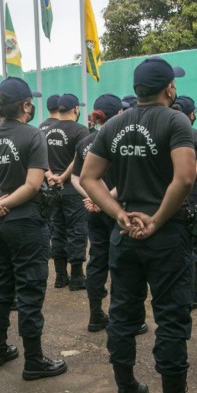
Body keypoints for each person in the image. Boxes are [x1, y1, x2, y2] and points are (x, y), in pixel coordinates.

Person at [81, 57, 197, 393]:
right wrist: (155, 220)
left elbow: (89, 178)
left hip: (124, 234)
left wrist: (118, 214)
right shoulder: (176, 121)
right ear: (169, 88)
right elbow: (185, 180)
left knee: (122, 316)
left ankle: (126, 391)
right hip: (166, 234)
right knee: (171, 317)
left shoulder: (113, 124)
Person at [0, 76, 68, 380]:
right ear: (26, 105)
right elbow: (31, 185)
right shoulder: (32, 135)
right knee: (29, 288)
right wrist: (4, 204)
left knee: (1, 286)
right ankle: (34, 360)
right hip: (26, 221)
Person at [71, 93, 150, 335]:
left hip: (95, 209)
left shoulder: (86, 142)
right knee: (122, 263)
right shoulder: (122, 139)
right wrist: (105, 199)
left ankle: (96, 314)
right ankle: (125, 318)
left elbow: (76, 176)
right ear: (119, 113)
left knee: (96, 260)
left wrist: (91, 197)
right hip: (118, 210)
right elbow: (129, 177)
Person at [44, 94, 90, 290]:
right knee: (76, 231)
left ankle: (60, 276)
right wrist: (63, 177)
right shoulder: (81, 130)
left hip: (52, 189)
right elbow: (79, 158)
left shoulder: (45, 131)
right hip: (72, 189)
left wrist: (51, 176)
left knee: (57, 231)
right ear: (76, 109)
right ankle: (77, 277)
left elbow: (40, 158)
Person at [172, 96, 197, 309]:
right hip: (192, 195)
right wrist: (183, 177)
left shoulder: (165, 132)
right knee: (192, 246)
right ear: (191, 115)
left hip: (166, 193)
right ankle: (192, 295)